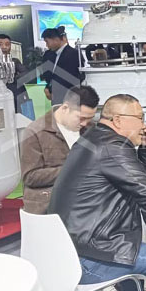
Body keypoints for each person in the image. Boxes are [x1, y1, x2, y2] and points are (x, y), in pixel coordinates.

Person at [47, 94, 146, 291]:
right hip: (88, 257)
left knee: (132, 245)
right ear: (118, 120)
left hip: (71, 248)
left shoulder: (93, 139)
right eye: (140, 118)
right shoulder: (112, 147)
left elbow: (130, 178)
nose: (144, 125)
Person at [20, 86, 99, 214]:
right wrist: (70, 170)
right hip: (48, 205)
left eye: (90, 118)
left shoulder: (90, 129)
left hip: (86, 202)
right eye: (81, 118)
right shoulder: (35, 132)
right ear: (65, 108)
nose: (85, 123)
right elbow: (30, 177)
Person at [40, 26, 81, 106]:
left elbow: (74, 77)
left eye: (47, 42)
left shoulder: (74, 54)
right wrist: (48, 88)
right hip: (55, 98)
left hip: (70, 97)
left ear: (56, 39)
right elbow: (49, 75)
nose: (47, 45)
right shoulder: (50, 55)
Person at [0, 33, 29, 115]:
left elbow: (26, 73)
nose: (4, 47)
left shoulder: (14, 61)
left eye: (7, 44)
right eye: (0, 44)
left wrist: (12, 77)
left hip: (15, 97)